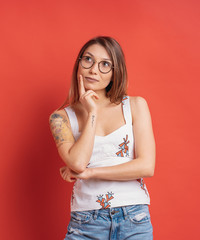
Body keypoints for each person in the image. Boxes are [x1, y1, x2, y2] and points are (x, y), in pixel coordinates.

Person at [49, 36, 155, 240]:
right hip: (86, 222)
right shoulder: (60, 118)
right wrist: (92, 113)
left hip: (133, 218)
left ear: (115, 73)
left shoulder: (135, 106)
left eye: (105, 64)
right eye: (88, 59)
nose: (94, 69)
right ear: (79, 64)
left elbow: (146, 166)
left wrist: (91, 173)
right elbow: (78, 163)